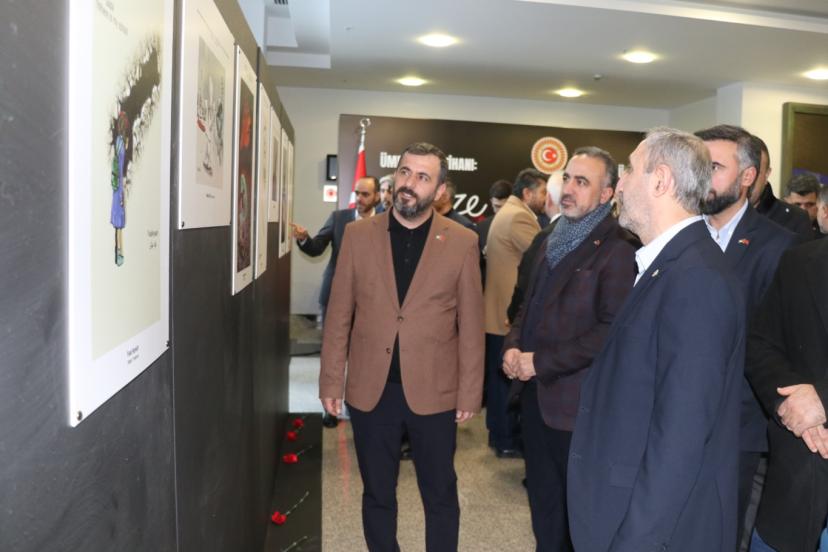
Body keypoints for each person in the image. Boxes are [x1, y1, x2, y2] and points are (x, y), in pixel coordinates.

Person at [568, 127, 746, 552]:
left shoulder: (697, 279)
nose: (620, 184)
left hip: (657, 530)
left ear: (661, 180)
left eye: (630, 170)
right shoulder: (671, 265)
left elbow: (681, 436)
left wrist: (634, 542)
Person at [319, 142, 484, 552]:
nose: (410, 183)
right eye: (405, 172)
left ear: (440, 191)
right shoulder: (358, 235)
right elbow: (339, 314)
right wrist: (331, 380)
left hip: (435, 392)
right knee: (377, 492)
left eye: (423, 177)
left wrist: (469, 392)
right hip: (371, 391)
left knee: (440, 493)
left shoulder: (463, 241)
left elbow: (471, 325)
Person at [502, 147, 636, 551]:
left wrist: (540, 363)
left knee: (574, 517)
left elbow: (610, 330)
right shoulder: (551, 238)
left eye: (582, 182)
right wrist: (512, 346)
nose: (569, 189)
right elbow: (527, 305)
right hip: (535, 400)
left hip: (578, 408)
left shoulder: (620, 248)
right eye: (567, 179)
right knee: (543, 508)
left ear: (606, 193)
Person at [695, 124, 799, 544]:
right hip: (679, 417)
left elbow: (775, 341)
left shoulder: (780, 246)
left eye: (714, 167)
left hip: (739, 427)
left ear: (748, 176)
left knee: (725, 534)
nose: (702, 176)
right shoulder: (680, 235)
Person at [746, 236, 828, 552]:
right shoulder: (799, 261)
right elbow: (760, 344)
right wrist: (789, 403)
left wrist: (821, 399)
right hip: (795, 493)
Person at [293, 176, 380, 428]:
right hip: (336, 297)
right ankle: (329, 408)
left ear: (376, 197)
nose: (360, 199)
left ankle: (355, 404)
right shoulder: (340, 218)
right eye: (357, 193)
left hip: (371, 302)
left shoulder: (386, 221)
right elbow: (316, 247)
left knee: (362, 356)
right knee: (333, 355)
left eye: (365, 194)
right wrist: (304, 238)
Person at [484, 168, 547, 457]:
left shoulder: (508, 212)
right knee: (505, 383)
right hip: (507, 314)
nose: (545, 199)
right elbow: (545, 255)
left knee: (500, 381)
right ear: (527, 193)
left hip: (498, 312)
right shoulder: (519, 217)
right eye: (542, 193)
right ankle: (506, 439)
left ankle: (499, 435)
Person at [748, 136, 813, 241]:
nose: (747, 179)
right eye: (740, 171)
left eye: (754, 172)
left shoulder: (795, 219)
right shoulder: (720, 214)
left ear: (767, 174)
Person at [783, 172, 822, 239]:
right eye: (797, 205)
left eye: (809, 204)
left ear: (819, 203)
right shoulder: (775, 227)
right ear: (786, 202)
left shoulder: (825, 229)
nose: (803, 210)